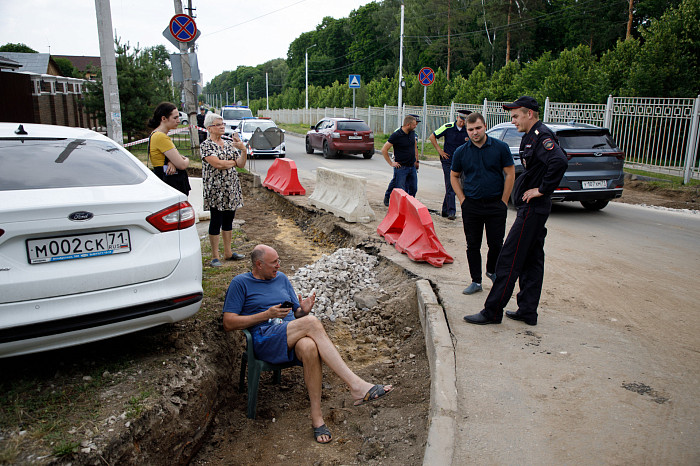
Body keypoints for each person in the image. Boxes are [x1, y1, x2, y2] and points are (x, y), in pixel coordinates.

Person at [223, 244, 393, 444]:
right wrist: (265, 315)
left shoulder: (282, 278)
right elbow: (228, 323)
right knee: (312, 323)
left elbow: (296, 314)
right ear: (258, 265)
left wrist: (303, 310)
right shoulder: (240, 283)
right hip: (264, 338)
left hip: (288, 333)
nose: (279, 265)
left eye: (279, 261)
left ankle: (317, 417)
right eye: (274, 263)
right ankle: (356, 385)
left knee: (310, 347)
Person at [463, 96, 568, 326]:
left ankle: (492, 311)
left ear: (529, 114)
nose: (513, 121)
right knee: (532, 260)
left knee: (508, 258)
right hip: (533, 209)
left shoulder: (542, 136)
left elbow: (559, 161)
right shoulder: (532, 136)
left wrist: (542, 189)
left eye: (516, 116)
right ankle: (528, 310)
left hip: (533, 209)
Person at [451, 112, 515, 295]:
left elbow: (510, 173)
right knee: (473, 245)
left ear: (485, 126)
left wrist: (504, 200)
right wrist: (462, 200)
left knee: (496, 244)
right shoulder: (461, 152)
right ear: (466, 130)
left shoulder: (500, 148)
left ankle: (491, 270)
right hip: (472, 205)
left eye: (478, 128)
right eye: (470, 129)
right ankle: (476, 281)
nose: (474, 132)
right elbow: (454, 176)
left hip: (496, 205)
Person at [201, 112, 248, 267]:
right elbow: (218, 164)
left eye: (223, 124)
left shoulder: (228, 143)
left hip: (231, 188)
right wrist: (232, 162)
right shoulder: (206, 145)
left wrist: (243, 150)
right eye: (218, 125)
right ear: (209, 128)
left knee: (229, 220)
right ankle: (215, 256)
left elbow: (241, 164)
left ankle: (228, 252)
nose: (222, 127)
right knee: (216, 220)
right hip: (215, 189)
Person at [429, 109, 472, 219]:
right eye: (461, 120)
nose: (462, 123)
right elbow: (432, 136)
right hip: (447, 160)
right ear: (457, 118)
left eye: (464, 121)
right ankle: (451, 212)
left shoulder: (467, 130)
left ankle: (445, 210)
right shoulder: (448, 127)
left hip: (460, 161)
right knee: (451, 184)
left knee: (452, 185)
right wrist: (440, 151)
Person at [147, 102, 191, 195]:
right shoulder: (161, 136)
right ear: (163, 118)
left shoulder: (156, 135)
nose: (178, 121)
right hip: (170, 183)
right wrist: (187, 159)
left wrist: (171, 162)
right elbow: (182, 164)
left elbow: (170, 157)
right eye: (175, 118)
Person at [382, 114, 420, 205]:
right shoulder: (396, 135)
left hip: (412, 166)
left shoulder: (412, 133)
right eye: (414, 124)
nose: (416, 126)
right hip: (401, 167)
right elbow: (384, 149)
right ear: (408, 125)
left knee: (413, 188)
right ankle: (397, 205)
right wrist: (391, 163)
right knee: (401, 190)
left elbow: (415, 146)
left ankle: (410, 205)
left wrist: (416, 160)